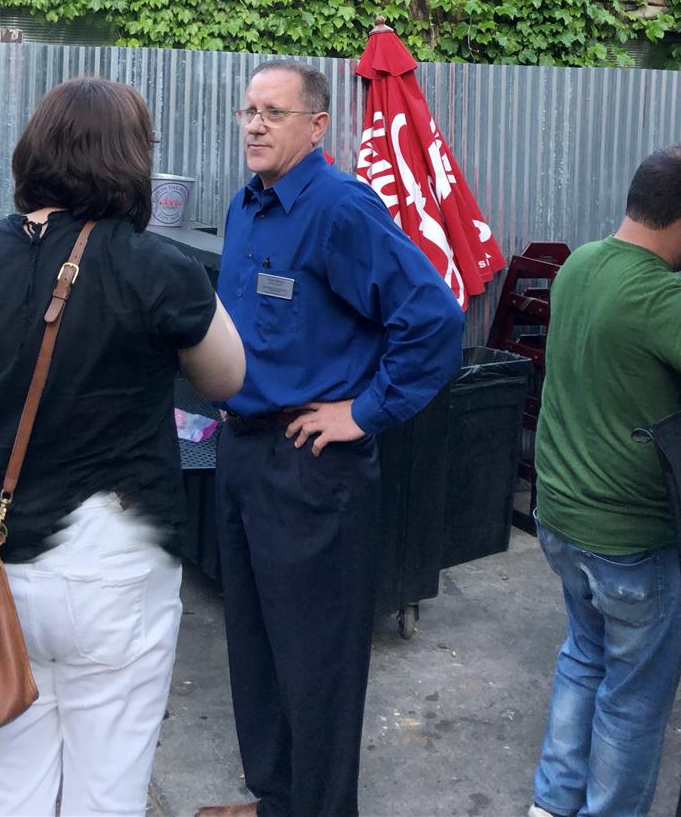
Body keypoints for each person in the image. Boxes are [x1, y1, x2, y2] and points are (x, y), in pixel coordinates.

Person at [0, 77, 243, 816]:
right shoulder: (161, 268)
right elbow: (228, 378)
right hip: (116, 563)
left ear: (33, 151)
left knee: (4, 790)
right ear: (133, 159)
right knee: (106, 791)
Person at [197, 60, 463, 817]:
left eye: (273, 113)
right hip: (243, 452)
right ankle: (276, 799)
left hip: (311, 468)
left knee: (316, 661)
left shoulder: (341, 208)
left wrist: (364, 411)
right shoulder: (246, 205)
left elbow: (433, 320)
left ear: (317, 127)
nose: (254, 125)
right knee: (255, 644)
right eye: (249, 110)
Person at [528, 145, 681, 817]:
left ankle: (552, 803)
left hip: (562, 519)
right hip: (634, 540)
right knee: (634, 698)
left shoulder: (579, 265)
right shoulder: (669, 301)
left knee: (585, 656)